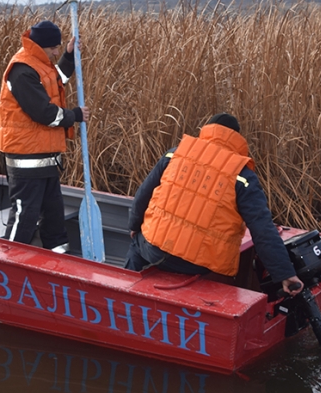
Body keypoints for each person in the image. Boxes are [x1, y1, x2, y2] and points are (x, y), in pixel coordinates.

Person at [126, 113, 303, 295]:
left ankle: (125, 291)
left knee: (136, 245)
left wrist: (133, 226)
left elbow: (143, 195)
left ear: (207, 130)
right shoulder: (242, 176)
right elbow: (263, 230)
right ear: (237, 138)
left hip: (155, 250)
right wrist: (285, 274)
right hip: (200, 263)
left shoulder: (175, 154)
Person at [0, 20, 89, 253]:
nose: (56, 52)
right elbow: (44, 112)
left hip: (46, 158)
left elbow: (54, 82)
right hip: (26, 159)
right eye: (54, 49)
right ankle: (10, 261)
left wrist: (68, 58)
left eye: (59, 48)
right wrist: (74, 116)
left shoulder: (39, 64)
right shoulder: (21, 70)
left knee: (54, 215)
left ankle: (57, 259)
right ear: (41, 47)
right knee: (25, 214)